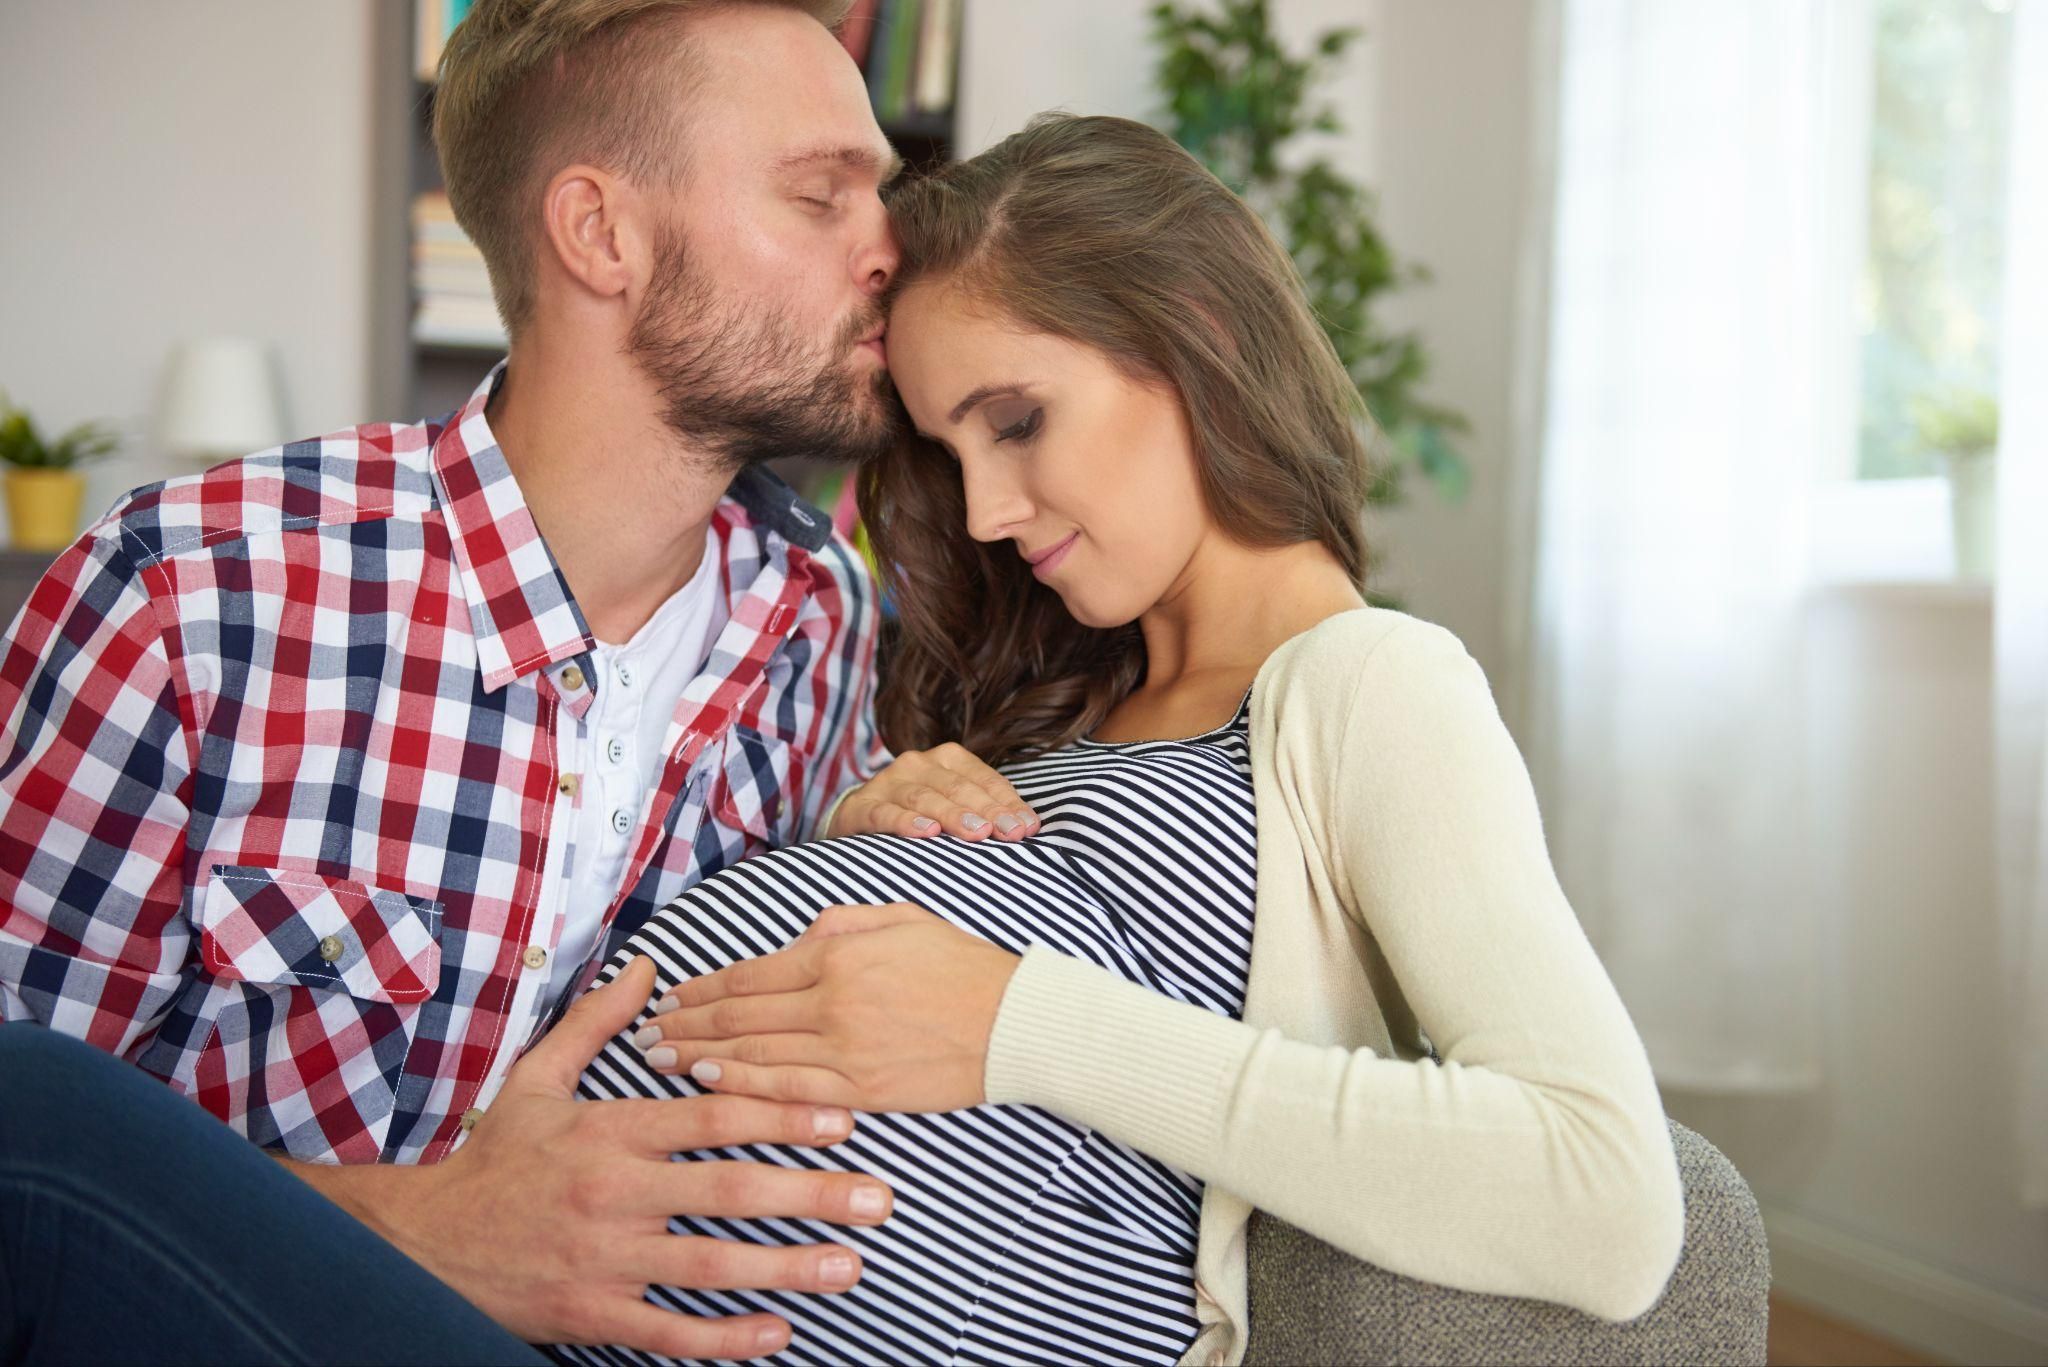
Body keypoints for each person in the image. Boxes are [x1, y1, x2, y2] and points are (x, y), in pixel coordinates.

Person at [0, 2, 1031, 1361]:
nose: (894, 248)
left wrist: (880, 827)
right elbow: (43, 1179)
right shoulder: (189, 592)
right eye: (818, 195)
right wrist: (426, 1224)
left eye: (884, 191)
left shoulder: (819, 619)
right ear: (600, 233)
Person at [573, 113, 1689, 1366]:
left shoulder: (1369, 683)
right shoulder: (1059, 691)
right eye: (952, 453)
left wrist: (1015, 1017)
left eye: (1016, 420)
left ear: (1195, 334)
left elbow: (1605, 1197)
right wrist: (863, 821)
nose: (987, 513)